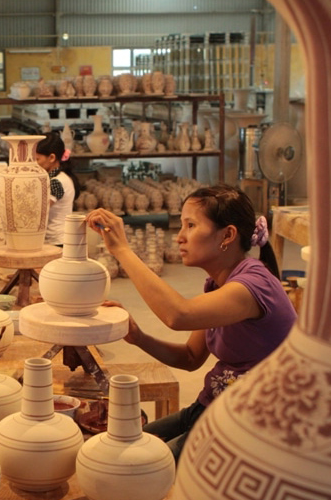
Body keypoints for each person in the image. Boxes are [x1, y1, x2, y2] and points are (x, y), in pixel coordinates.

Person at [86, 184, 296, 462]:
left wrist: (123, 250)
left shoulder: (251, 287)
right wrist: (139, 337)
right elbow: (191, 357)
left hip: (254, 421)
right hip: (213, 405)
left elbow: (178, 315)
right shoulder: (219, 285)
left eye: (191, 225)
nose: (179, 237)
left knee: (140, 467)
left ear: (228, 235)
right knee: (120, 447)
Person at [36, 132, 81, 246]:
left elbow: (39, 211)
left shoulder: (57, 182)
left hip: (57, 242)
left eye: (37, 159)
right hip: (58, 239)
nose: (34, 164)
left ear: (51, 157)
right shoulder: (58, 177)